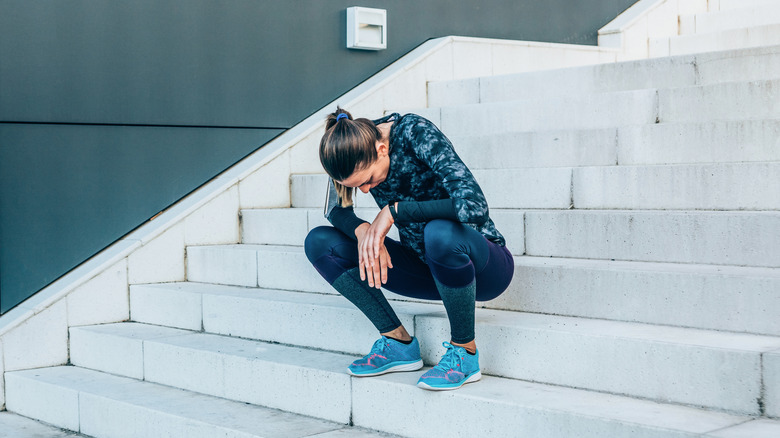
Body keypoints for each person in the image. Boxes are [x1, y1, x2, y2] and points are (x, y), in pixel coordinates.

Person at [304, 108, 514, 391]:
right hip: (424, 268)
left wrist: (394, 211)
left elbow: (472, 205)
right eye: (357, 186)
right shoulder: (349, 144)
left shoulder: (414, 133)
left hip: (481, 267)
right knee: (320, 242)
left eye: (367, 180)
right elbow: (334, 209)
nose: (365, 191)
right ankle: (397, 343)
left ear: (381, 149)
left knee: (437, 232)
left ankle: (465, 352)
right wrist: (362, 229)